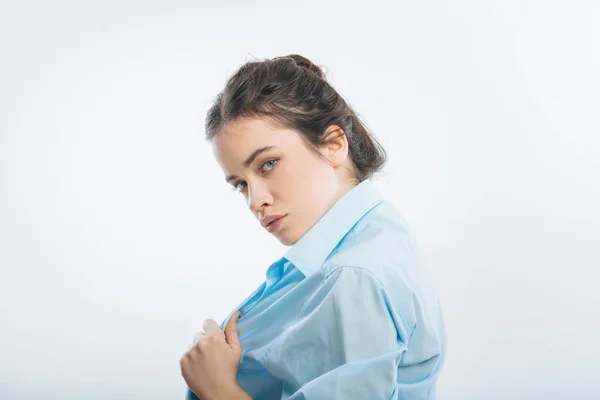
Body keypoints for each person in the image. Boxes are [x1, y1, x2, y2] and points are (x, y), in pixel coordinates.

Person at [180, 54, 446, 400]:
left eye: (268, 164)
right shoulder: (367, 234)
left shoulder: (351, 275)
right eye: (240, 184)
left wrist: (217, 389)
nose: (254, 199)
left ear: (334, 144)